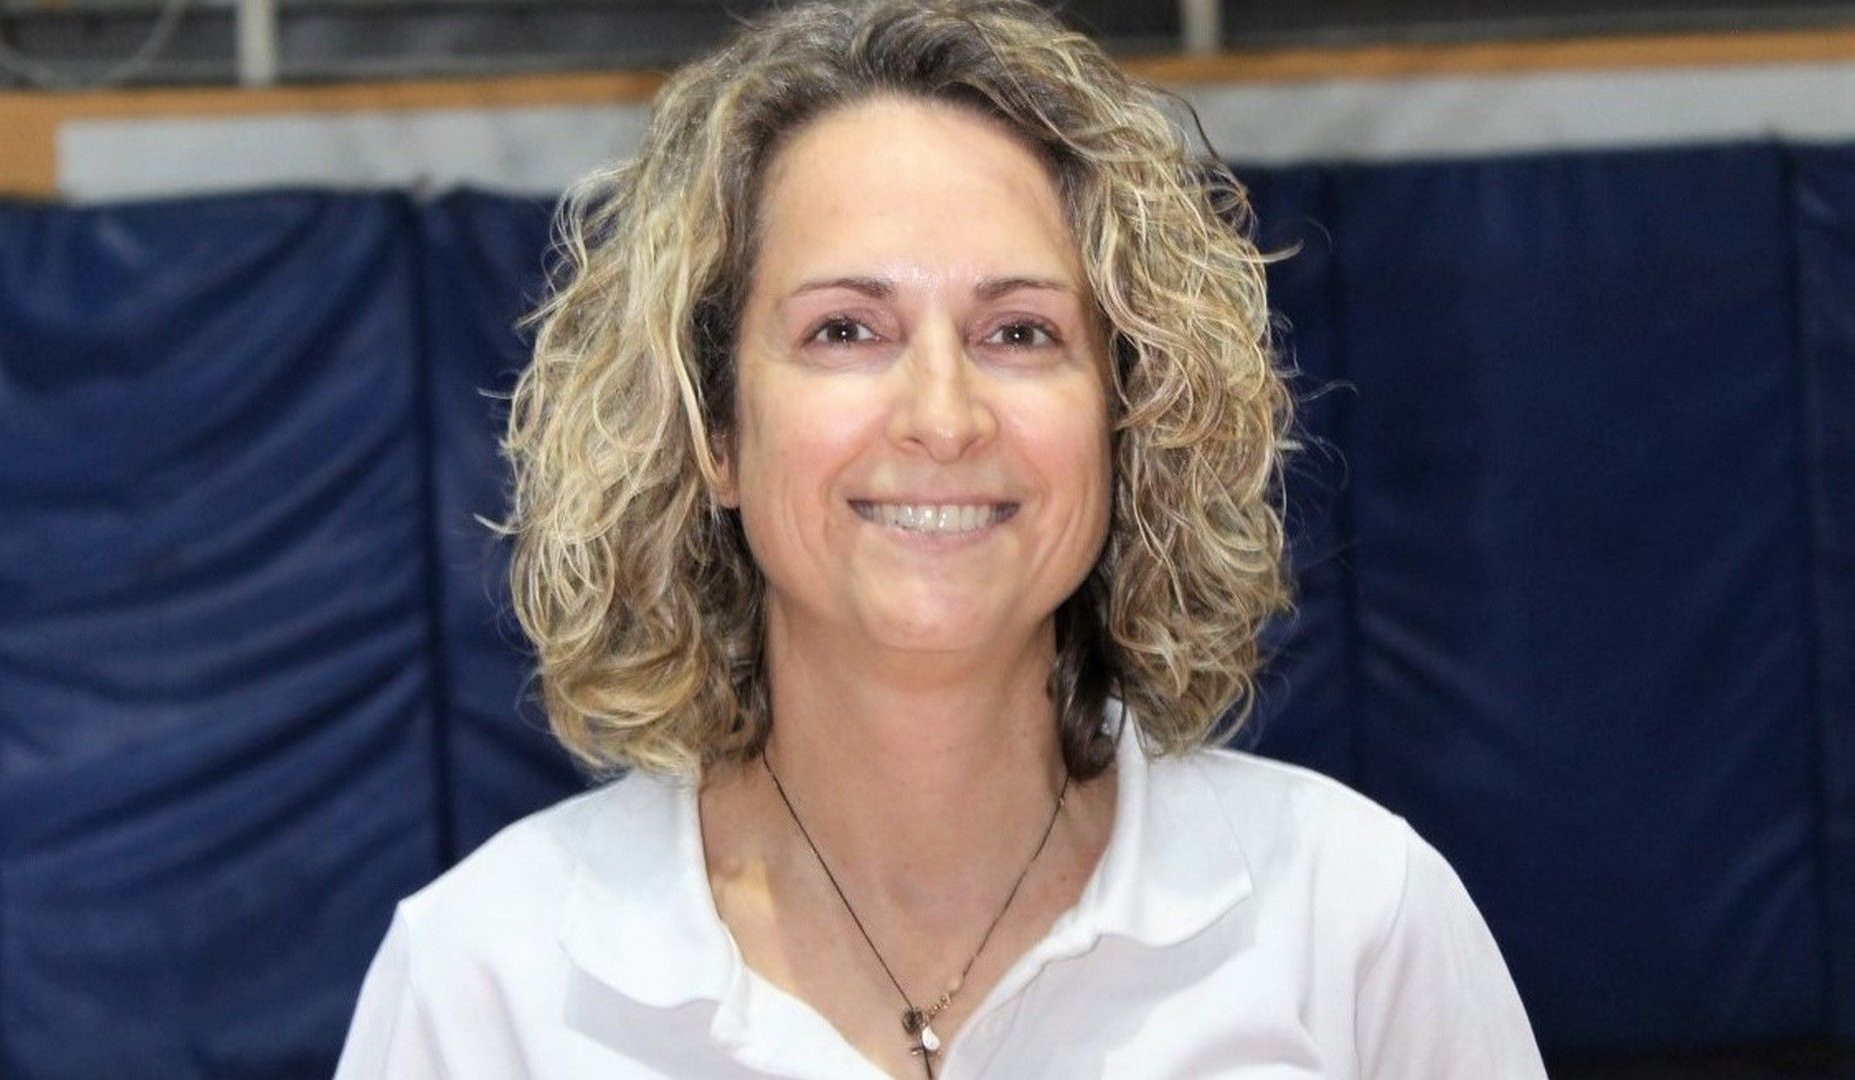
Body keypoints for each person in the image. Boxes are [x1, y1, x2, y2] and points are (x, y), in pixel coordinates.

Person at [334, 0, 1546, 1076]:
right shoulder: (487, 983)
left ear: (1126, 419)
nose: (943, 417)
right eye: (845, 330)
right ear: (715, 431)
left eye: (1019, 333)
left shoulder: (1353, 923)